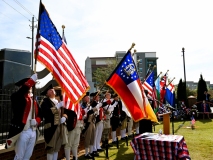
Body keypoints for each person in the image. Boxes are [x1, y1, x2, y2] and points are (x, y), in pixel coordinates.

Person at [5, 73, 42, 160]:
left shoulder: (34, 99)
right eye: (29, 85)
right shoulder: (16, 96)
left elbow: (41, 114)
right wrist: (31, 81)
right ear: (22, 86)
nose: (30, 87)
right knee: (19, 156)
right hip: (22, 131)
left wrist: (37, 120)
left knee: (28, 156)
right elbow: (21, 93)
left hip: (32, 131)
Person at [40, 84, 67, 160]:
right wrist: (57, 106)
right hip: (51, 128)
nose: (52, 90)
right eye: (49, 90)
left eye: (52, 89)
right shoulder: (45, 101)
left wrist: (64, 117)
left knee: (56, 149)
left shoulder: (58, 100)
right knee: (51, 149)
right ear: (46, 94)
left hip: (59, 127)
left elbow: (65, 112)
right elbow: (46, 113)